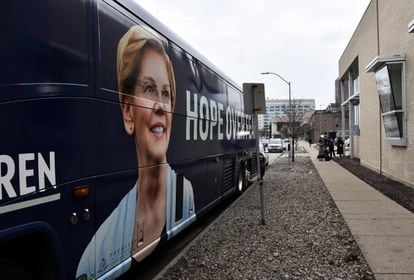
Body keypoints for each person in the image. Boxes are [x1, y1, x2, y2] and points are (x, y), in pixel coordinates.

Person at [77, 25, 195, 279]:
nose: (161, 106)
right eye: (149, 89)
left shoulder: (186, 194)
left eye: (166, 93)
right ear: (128, 112)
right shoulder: (95, 255)